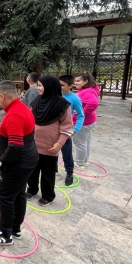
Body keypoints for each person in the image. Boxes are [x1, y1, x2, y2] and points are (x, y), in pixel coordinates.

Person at [0, 81, 38, 246]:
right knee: (19, 193)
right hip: (28, 161)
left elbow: (15, 146)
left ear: (2, 96)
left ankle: (5, 234)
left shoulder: (14, 114)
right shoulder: (22, 108)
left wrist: (4, 162)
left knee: (5, 195)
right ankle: (15, 227)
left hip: (18, 163)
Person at [26, 76, 73, 206]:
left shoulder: (62, 105)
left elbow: (67, 127)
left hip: (50, 147)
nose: (38, 88)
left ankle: (48, 196)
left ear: (50, 87)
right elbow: (29, 118)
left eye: (40, 85)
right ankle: (32, 189)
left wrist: (59, 144)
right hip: (33, 145)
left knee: (48, 173)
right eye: (38, 85)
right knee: (32, 170)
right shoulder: (37, 101)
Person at [58, 75, 85, 186]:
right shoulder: (55, 95)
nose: (59, 87)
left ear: (70, 86)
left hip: (65, 131)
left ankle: (69, 173)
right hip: (53, 129)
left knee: (67, 154)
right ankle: (53, 171)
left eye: (62, 85)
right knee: (51, 152)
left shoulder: (75, 99)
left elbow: (81, 115)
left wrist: (75, 129)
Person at [72, 72, 100, 169]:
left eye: (78, 81)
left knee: (79, 142)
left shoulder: (87, 91)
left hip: (83, 123)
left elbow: (93, 103)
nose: (76, 83)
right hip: (89, 121)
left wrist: (81, 114)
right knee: (85, 142)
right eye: (75, 80)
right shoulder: (87, 89)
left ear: (86, 81)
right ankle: (83, 160)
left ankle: (79, 163)